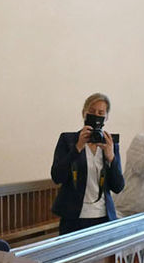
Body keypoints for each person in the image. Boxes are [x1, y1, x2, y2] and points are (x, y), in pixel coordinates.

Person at [50, 92, 125, 235]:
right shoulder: (68, 139)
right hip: (74, 218)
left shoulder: (110, 143)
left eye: (101, 112)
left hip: (103, 216)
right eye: (92, 112)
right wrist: (77, 148)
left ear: (106, 117)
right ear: (84, 113)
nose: (96, 115)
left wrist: (111, 158)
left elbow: (118, 186)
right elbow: (56, 176)